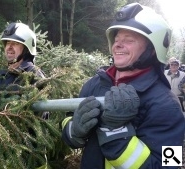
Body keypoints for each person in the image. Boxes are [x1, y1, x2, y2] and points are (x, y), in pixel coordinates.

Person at [61, 3, 185, 169]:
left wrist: (117, 133)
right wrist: (73, 130)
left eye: (128, 40)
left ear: (152, 50)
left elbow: (170, 164)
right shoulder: (93, 84)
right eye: (117, 39)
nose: (117, 45)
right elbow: (67, 121)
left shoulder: (169, 105)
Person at [0, 22, 48, 119]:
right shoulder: (1, 75)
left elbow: (42, 115)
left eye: (16, 43)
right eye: (8, 43)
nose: (9, 47)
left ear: (26, 49)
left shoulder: (34, 74)